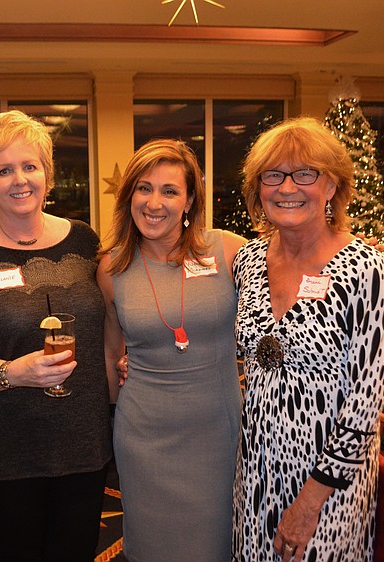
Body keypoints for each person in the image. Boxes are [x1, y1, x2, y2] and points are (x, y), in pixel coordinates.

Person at [0, 110, 112, 562]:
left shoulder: (83, 240)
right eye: (3, 170)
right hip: (4, 450)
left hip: (83, 444)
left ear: (47, 174)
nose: (19, 180)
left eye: (30, 166)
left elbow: (112, 319)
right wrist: (11, 372)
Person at [231, 117, 384, 561]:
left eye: (305, 174)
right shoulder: (246, 260)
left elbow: (367, 399)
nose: (287, 188)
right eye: (273, 175)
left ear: (332, 185)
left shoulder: (364, 267)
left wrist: (310, 502)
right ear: (257, 188)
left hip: (328, 480)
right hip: (257, 466)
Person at [97, 139, 245, 562]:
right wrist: (110, 417)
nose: (153, 203)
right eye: (143, 188)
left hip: (217, 434)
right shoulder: (111, 268)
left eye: (169, 190)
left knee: (216, 545)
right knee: (151, 548)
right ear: (129, 196)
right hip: (144, 437)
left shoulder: (229, 251)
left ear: (190, 199)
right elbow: (111, 353)